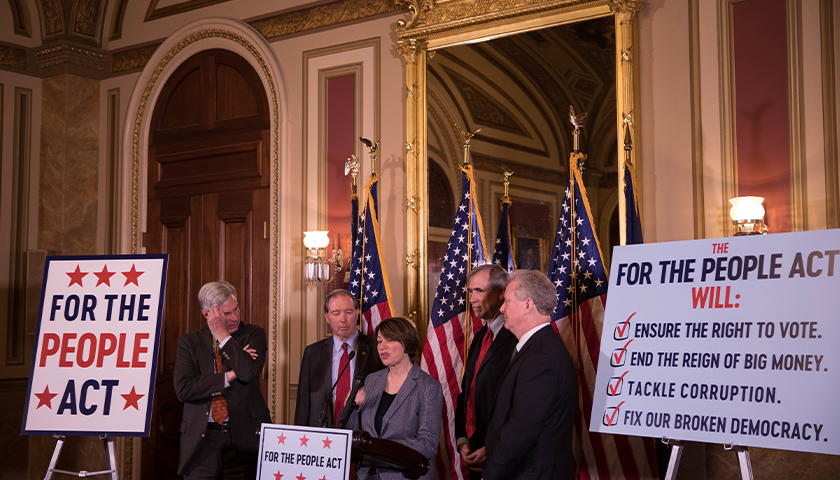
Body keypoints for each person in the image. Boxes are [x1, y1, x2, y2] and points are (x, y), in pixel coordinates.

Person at [483, 270, 577, 480]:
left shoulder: (541, 357)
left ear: (527, 305)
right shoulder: (538, 348)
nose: (502, 308)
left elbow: (521, 432)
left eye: (507, 301)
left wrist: (489, 475)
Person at [173, 281, 272, 479]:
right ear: (207, 314)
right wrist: (230, 375)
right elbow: (184, 389)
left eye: (236, 309)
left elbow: (249, 371)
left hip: (245, 439)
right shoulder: (189, 343)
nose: (234, 317)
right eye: (226, 314)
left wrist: (223, 336)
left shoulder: (254, 334)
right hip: (202, 441)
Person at [352, 316, 443, 480]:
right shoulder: (371, 380)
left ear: (407, 343)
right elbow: (355, 434)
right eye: (379, 341)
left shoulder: (428, 387)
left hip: (405, 476)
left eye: (390, 340)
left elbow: (428, 445)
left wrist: (378, 449)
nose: (382, 347)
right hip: (367, 475)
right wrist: (352, 407)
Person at [454, 265, 516, 479]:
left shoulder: (517, 338)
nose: (472, 298)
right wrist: (462, 439)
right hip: (473, 450)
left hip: (502, 454)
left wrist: (492, 447)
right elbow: (467, 392)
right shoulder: (481, 337)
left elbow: (517, 403)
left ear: (502, 292)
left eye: (479, 291)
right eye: (470, 292)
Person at [294, 289, 383, 427]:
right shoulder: (313, 353)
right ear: (327, 317)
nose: (343, 319)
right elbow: (303, 405)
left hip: (362, 434)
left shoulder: (376, 348)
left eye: (348, 312)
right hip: (322, 436)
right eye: (336, 313)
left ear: (357, 313)